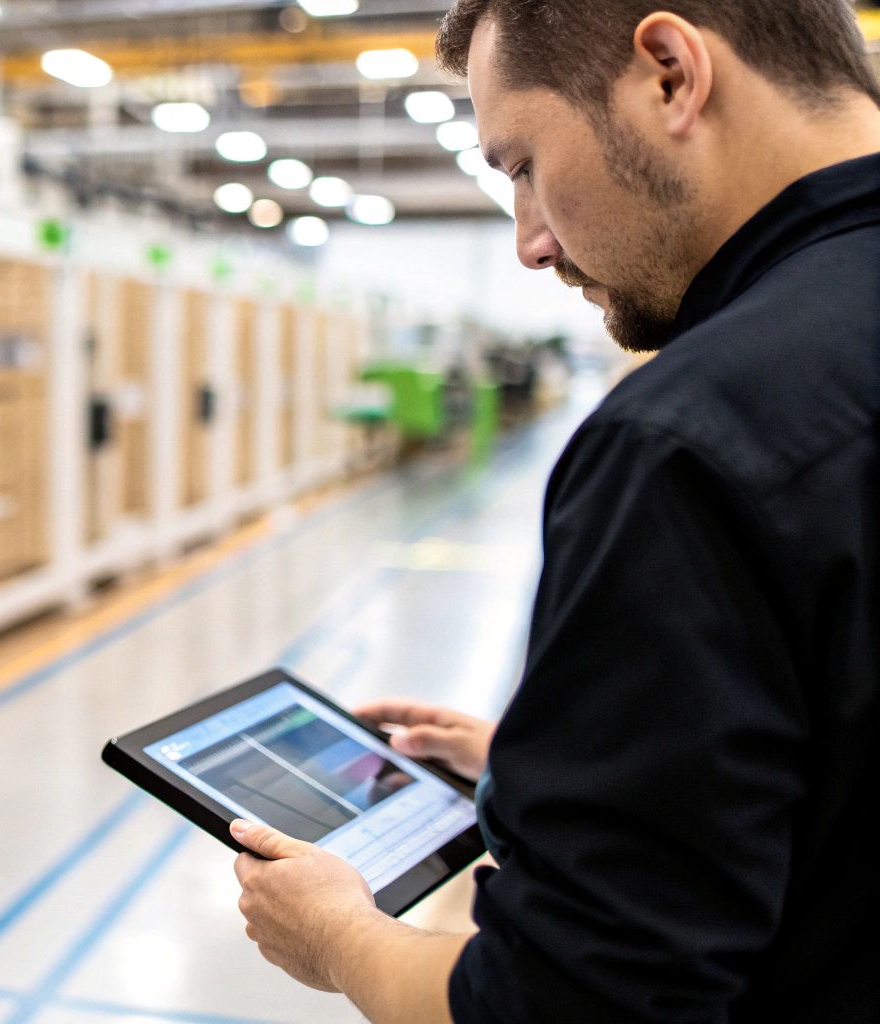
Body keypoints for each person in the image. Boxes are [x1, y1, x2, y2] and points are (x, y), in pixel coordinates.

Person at [229, 2, 880, 1022]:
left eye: (522, 163)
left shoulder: (683, 440)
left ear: (668, 73)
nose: (529, 243)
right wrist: (599, 774)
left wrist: (338, 935)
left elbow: (570, 1001)